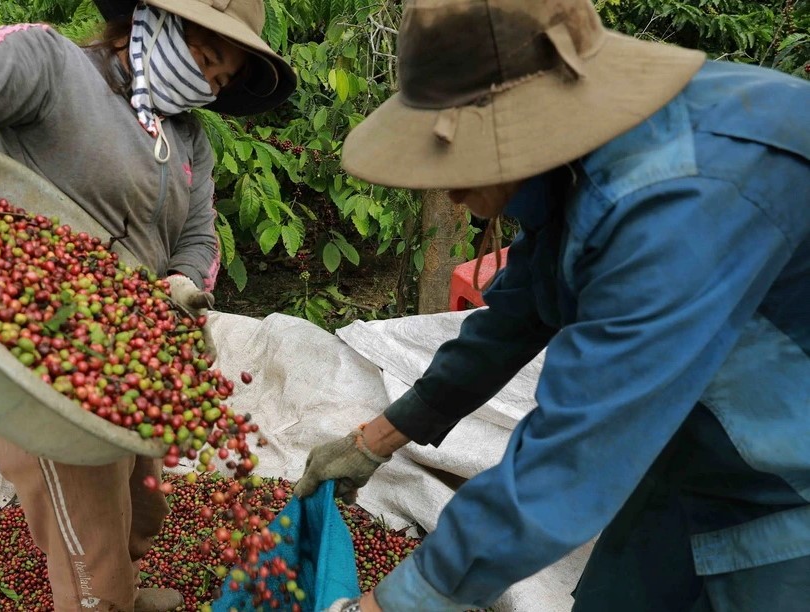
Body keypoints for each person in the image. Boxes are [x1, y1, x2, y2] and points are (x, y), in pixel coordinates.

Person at [294, 0, 810, 610]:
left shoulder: (676, 204)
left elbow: (575, 453)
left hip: (783, 492)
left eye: (457, 158)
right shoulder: (583, 164)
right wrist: (376, 439)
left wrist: (395, 602)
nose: (451, 189)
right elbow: (520, 310)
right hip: (682, 452)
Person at [0, 0, 295, 610]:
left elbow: (199, 234)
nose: (205, 84)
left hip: (132, 343)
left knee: (144, 496)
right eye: (205, 57)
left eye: (218, 81)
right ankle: (100, 599)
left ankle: (123, 590)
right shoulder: (57, 66)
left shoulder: (188, 141)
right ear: (154, 23)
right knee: (87, 521)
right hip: (38, 355)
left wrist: (182, 284)